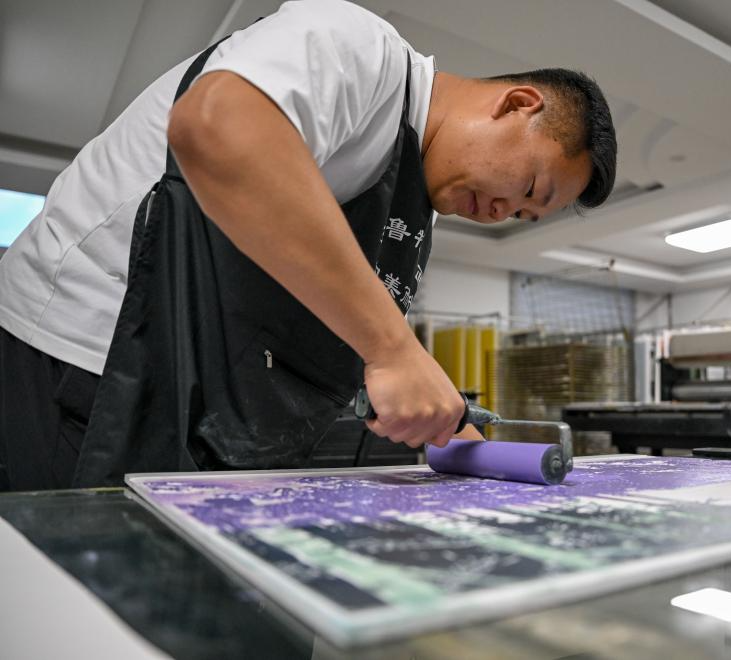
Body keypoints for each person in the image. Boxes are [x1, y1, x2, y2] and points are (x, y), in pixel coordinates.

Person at [0, 0, 617, 491]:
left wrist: (452, 431)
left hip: (205, 411)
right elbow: (217, 125)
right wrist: (393, 349)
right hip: (85, 360)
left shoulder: (410, 209)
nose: (504, 213)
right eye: (528, 187)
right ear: (518, 104)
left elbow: (339, 328)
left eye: (524, 215)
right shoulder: (361, 49)